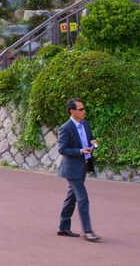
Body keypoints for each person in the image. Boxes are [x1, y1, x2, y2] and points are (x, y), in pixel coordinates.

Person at [57, 98, 101, 242]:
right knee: (83, 198)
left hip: (84, 165)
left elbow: (89, 138)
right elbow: (63, 149)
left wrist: (93, 142)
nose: (84, 111)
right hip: (72, 169)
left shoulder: (86, 125)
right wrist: (80, 151)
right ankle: (88, 231)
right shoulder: (66, 128)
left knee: (72, 197)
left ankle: (63, 227)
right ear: (72, 111)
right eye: (81, 109)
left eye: (83, 109)